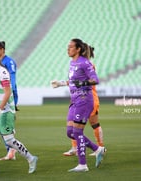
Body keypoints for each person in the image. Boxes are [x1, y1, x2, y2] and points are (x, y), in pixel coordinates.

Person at [0, 47, 38, 176]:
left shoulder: (2, 71)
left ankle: (31, 158)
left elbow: (8, 92)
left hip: (5, 111)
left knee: (9, 141)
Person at [58, 38, 105, 172]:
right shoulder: (72, 63)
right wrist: (61, 83)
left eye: (71, 47)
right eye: (68, 46)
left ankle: (83, 164)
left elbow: (95, 80)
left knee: (77, 132)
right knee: (70, 132)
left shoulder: (85, 63)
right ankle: (97, 149)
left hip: (84, 100)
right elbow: (73, 81)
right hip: (74, 100)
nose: (68, 49)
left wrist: (83, 84)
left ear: (78, 49)